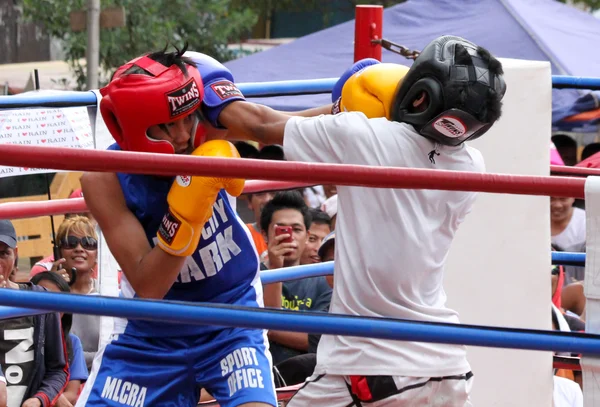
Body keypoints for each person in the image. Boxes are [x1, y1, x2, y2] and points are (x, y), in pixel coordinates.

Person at [195, 35, 505, 406]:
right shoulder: (473, 165)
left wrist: (200, 81)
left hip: (371, 364)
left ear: (420, 93)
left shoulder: (366, 138)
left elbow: (257, 125)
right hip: (447, 363)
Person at [76, 45, 319, 407]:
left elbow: (268, 126)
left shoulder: (205, 125)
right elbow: (149, 286)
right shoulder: (104, 180)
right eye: (167, 125)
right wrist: (186, 212)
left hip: (229, 317)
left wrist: (350, 109)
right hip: (152, 332)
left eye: (187, 118)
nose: (183, 135)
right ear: (135, 126)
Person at [0, 220, 68, 407]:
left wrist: (39, 399)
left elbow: (58, 369)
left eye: (3, 253)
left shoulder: (39, 298)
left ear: (15, 254)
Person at [30, 272, 89, 406]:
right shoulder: (16, 335)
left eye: (57, 302)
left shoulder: (72, 342)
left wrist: (43, 398)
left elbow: (71, 395)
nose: (50, 309)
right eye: (43, 300)